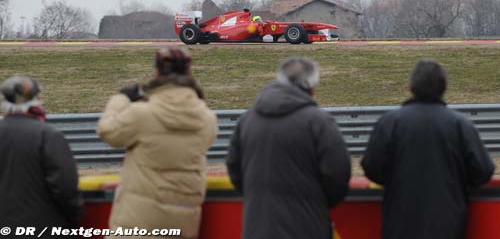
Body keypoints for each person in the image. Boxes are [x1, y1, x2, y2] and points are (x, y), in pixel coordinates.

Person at [361, 59, 495, 239]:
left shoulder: (389, 122)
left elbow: (371, 167)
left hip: (400, 222)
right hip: (449, 223)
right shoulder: (460, 125)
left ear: (411, 86)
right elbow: (483, 171)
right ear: (444, 87)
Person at [97, 46, 217, 239]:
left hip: (137, 222)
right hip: (183, 223)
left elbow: (108, 131)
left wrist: (121, 100)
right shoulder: (207, 118)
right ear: (189, 71)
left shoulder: (142, 114)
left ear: (157, 72)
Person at [226, 57, 351, 239]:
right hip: (307, 226)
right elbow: (338, 172)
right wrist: (320, 202)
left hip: (257, 227)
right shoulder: (319, 122)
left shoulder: (247, 119)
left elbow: (234, 167)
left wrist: (256, 198)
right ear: (312, 86)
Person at [0, 75, 82, 234]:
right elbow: (65, 185)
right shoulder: (48, 134)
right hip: (43, 227)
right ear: (37, 98)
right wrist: (75, 217)